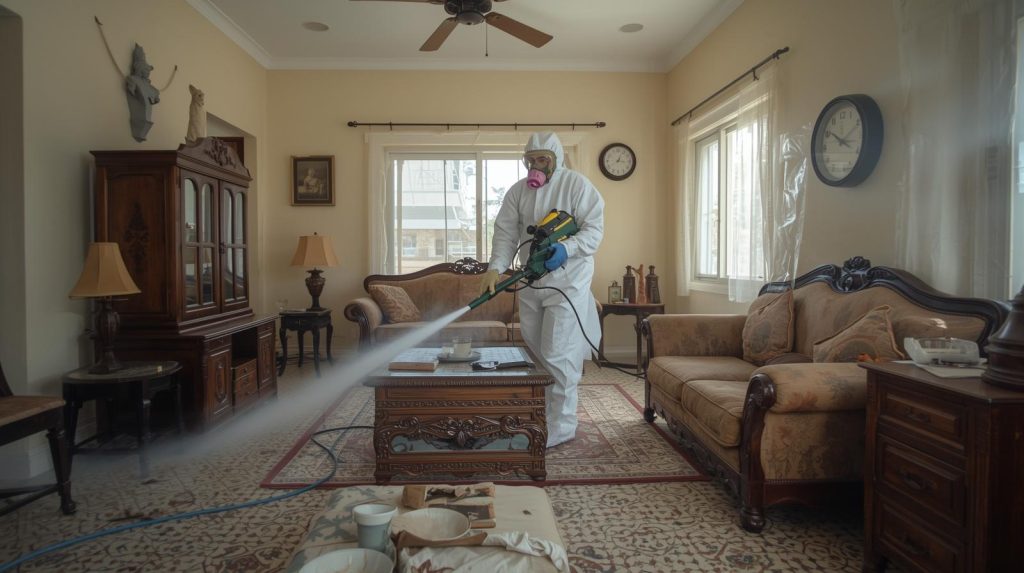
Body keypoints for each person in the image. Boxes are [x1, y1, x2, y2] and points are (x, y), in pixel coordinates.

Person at [479, 132, 604, 447]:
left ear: (556, 159)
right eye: (531, 159)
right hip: (532, 281)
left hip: (568, 281)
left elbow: (594, 230)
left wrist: (568, 248)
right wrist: (495, 267)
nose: (536, 165)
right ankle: (544, 413)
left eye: (542, 159)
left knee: (558, 353)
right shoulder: (517, 192)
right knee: (537, 352)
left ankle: (563, 425)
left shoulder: (577, 185)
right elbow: (506, 233)